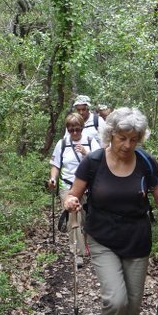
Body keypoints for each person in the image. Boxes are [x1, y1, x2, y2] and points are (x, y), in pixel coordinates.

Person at [63, 107, 158, 315]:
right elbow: (73, 194)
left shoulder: (146, 162)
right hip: (102, 237)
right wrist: (70, 202)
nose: (127, 145)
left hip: (137, 237)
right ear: (111, 135)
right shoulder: (92, 162)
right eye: (122, 138)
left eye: (134, 139)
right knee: (116, 298)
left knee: (134, 303)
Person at [49, 113, 100, 266]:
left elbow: (100, 163)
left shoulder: (91, 142)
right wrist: (53, 178)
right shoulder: (62, 144)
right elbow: (56, 164)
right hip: (67, 187)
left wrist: (86, 153)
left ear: (82, 128)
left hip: (87, 188)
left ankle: (85, 245)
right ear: (67, 129)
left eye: (77, 129)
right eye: (71, 130)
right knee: (73, 219)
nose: (75, 133)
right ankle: (77, 253)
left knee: (85, 219)